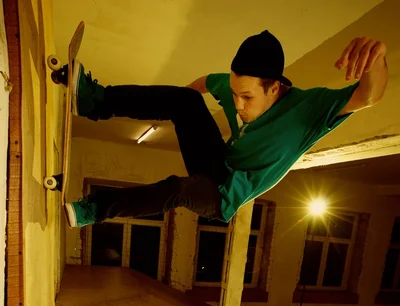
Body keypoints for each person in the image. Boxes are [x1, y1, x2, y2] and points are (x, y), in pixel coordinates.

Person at [64, 30, 388, 229]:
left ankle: (92, 209)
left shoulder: (307, 112)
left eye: (247, 97)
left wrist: (376, 58)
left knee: (180, 189)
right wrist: (168, 103)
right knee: (187, 99)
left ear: (274, 88)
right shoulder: (235, 88)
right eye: (234, 94)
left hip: (224, 197)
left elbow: (368, 96)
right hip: (218, 161)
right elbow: (204, 83)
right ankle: (93, 101)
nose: (238, 105)